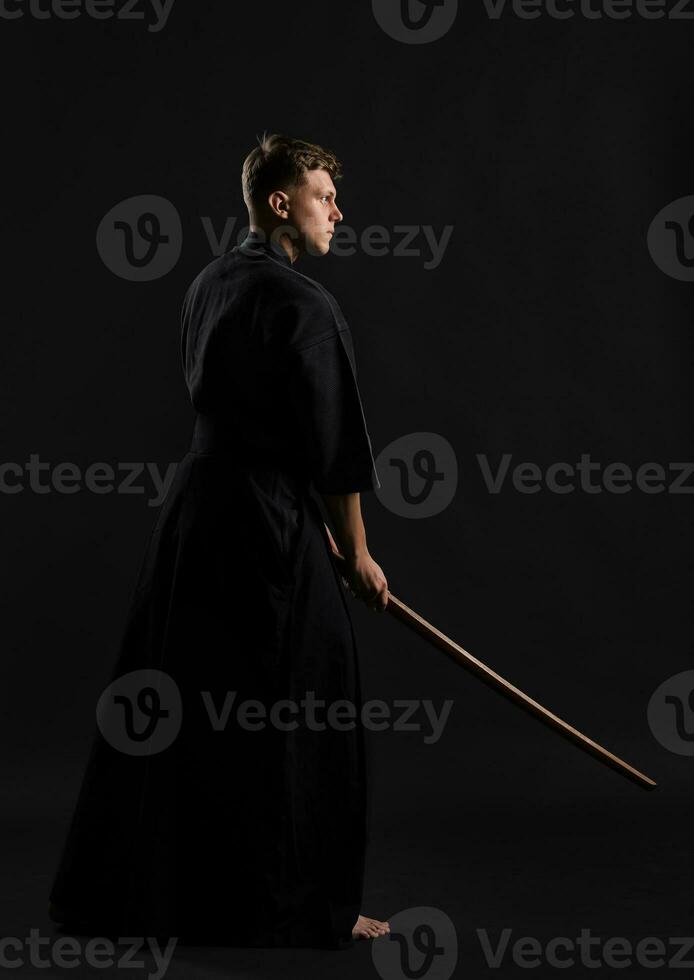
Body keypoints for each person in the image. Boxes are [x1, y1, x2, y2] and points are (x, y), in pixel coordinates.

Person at [48, 134, 391, 949]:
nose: (338, 212)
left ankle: (191, 903)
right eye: (322, 196)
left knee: (196, 706)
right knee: (302, 705)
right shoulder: (309, 306)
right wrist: (358, 555)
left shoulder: (207, 282)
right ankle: (307, 909)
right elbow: (335, 449)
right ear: (279, 204)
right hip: (268, 523)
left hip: (194, 519)